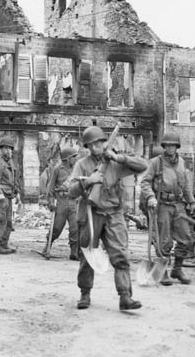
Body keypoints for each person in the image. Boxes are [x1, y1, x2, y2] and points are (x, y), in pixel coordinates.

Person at [68, 126, 147, 311]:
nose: (95, 148)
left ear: (104, 143)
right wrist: (88, 181)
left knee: (120, 255)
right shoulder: (82, 164)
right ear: (87, 147)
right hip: (91, 213)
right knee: (87, 254)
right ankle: (85, 294)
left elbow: (143, 166)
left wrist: (118, 157)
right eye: (91, 145)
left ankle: (125, 297)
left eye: (98, 143)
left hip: (113, 213)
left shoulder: (114, 161)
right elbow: (71, 191)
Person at [140, 132, 195, 285]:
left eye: (173, 145)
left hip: (178, 205)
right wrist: (151, 197)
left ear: (177, 147)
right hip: (162, 205)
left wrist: (191, 201)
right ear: (164, 146)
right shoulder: (155, 163)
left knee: (186, 238)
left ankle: (177, 269)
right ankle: (163, 271)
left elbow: (186, 185)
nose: (170, 148)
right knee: (164, 241)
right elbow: (145, 182)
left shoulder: (182, 163)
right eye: (167, 145)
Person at [42, 146, 79, 260]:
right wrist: (50, 202)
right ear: (67, 159)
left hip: (73, 201)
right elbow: (50, 188)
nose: (75, 159)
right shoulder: (57, 169)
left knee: (75, 228)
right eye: (73, 157)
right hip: (61, 202)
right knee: (57, 228)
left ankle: (74, 252)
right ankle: (47, 246)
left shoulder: (77, 170)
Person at [0, 136, 19, 254]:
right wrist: (0, 193)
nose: (8, 151)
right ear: (0, 150)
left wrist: (17, 192)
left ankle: (4, 244)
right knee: (0, 220)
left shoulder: (10, 162)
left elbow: (13, 179)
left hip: (9, 195)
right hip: (1, 196)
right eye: (5, 148)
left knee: (8, 221)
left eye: (10, 149)